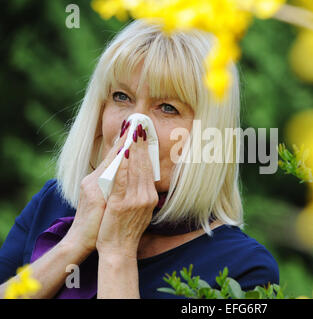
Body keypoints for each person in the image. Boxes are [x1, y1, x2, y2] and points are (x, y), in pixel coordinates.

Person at [0, 20, 279, 299]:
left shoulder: (244, 270)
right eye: (122, 97)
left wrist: (117, 252)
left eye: (168, 108)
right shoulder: (53, 202)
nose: (135, 125)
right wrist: (74, 243)